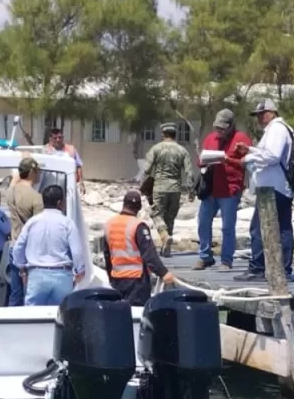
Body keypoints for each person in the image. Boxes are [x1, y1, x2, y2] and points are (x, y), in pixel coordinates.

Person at [233, 99, 294, 281]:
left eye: (261, 114)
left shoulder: (276, 129)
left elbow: (272, 156)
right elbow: (269, 154)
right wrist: (250, 150)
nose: (259, 118)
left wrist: (249, 158)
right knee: (283, 228)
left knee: (258, 228)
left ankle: (258, 268)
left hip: (273, 188)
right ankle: (283, 269)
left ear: (271, 112)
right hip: (279, 187)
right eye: (257, 115)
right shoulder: (280, 129)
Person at [11, 184, 88, 306]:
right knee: (61, 316)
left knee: (33, 317)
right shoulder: (67, 223)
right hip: (62, 276)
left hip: (36, 276)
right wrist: (81, 271)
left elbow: (18, 247)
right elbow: (77, 251)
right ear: (59, 203)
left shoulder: (32, 222)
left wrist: (22, 269)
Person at [194, 109, 251, 270]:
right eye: (217, 127)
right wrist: (204, 161)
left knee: (227, 226)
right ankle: (205, 256)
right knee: (203, 222)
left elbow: (247, 163)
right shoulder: (210, 138)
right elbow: (200, 161)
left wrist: (228, 160)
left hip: (230, 190)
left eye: (223, 128)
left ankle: (226, 260)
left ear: (231, 126)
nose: (219, 131)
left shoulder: (241, 139)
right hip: (210, 188)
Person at [101, 190, 176, 306]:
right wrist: (164, 273)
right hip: (136, 282)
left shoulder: (108, 225)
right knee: (136, 315)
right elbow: (149, 255)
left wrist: (111, 277)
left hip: (117, 280)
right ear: (139, 208)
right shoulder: (138, 226)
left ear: (124, 204)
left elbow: (107, 255)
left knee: (121, 314)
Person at [143, 122, 196, 257]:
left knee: (155, 213)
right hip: (176, 189)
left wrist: (144, 185)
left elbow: (147, 169)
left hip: (160, 187)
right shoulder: (182, 151)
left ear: (163, 134)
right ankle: (166, 249)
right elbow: (189, 172)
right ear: (174, 134)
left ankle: (165, 236)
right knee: (170, 218)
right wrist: (191, 190)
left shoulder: (156, 149)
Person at [6, 157, 44, 306]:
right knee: (30, 294)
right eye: (38, 171)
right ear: (32, 172)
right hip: (29, 250)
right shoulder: (36, 197)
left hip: (14, 246)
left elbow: (15, 181)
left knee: (15, 293)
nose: (39, 174)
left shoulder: (10, 191)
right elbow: (39, 229)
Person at [43, 127, 85, 193]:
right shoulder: (45, 150)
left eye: (60, 137)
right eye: (55, 138)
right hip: (51, 184)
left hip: (69, 184)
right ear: (50, 139)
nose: (58, 140)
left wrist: (81, 182)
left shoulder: (71, 149)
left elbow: (78, 166)